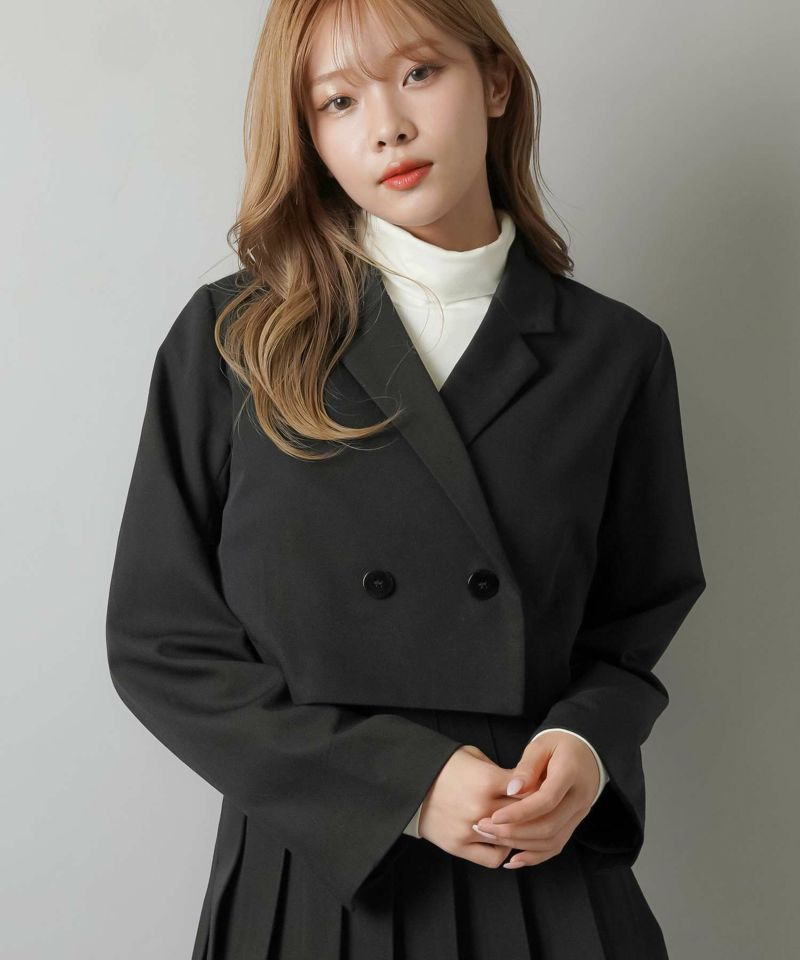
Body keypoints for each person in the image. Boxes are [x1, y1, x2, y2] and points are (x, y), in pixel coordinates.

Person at [105, 0, 707, 957]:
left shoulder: (616, 353)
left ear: (496, 81)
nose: (386, 125)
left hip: (535, 870)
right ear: (309, 136)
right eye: (338, 101)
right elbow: (162, 644)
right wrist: (407, 787)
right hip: (316, 881)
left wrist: (587, 748)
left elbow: (633, 626)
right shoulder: (235, 339)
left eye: (420, 73)